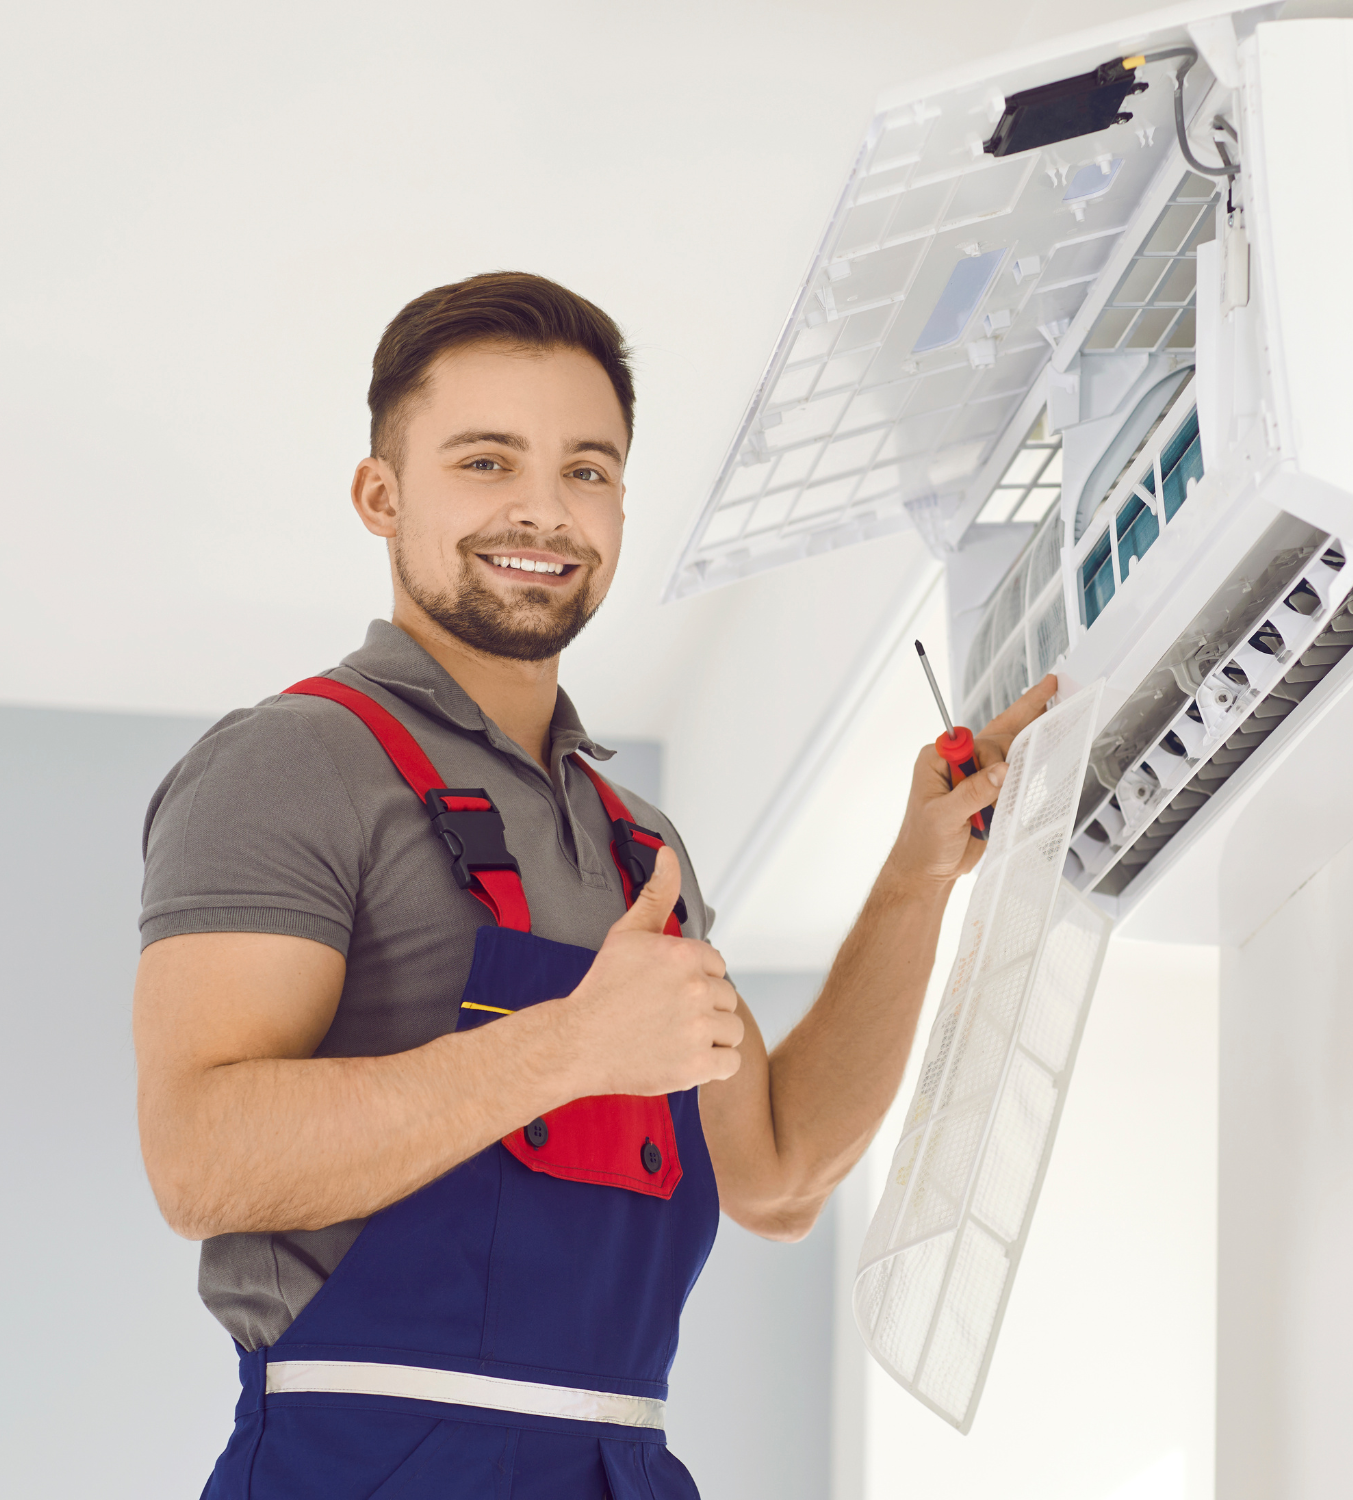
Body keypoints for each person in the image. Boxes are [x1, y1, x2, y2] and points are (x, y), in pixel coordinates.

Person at [132, 270, 1053, 1499]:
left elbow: (774, 1176)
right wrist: (573, 1048)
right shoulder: (293, 763)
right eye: (485, 462)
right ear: (379, 494)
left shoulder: (636, 844)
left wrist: (916, 874)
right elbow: (203, 1164)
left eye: (587, 470)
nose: (544, 509)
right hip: (365, 1464)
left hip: (623, 1465)